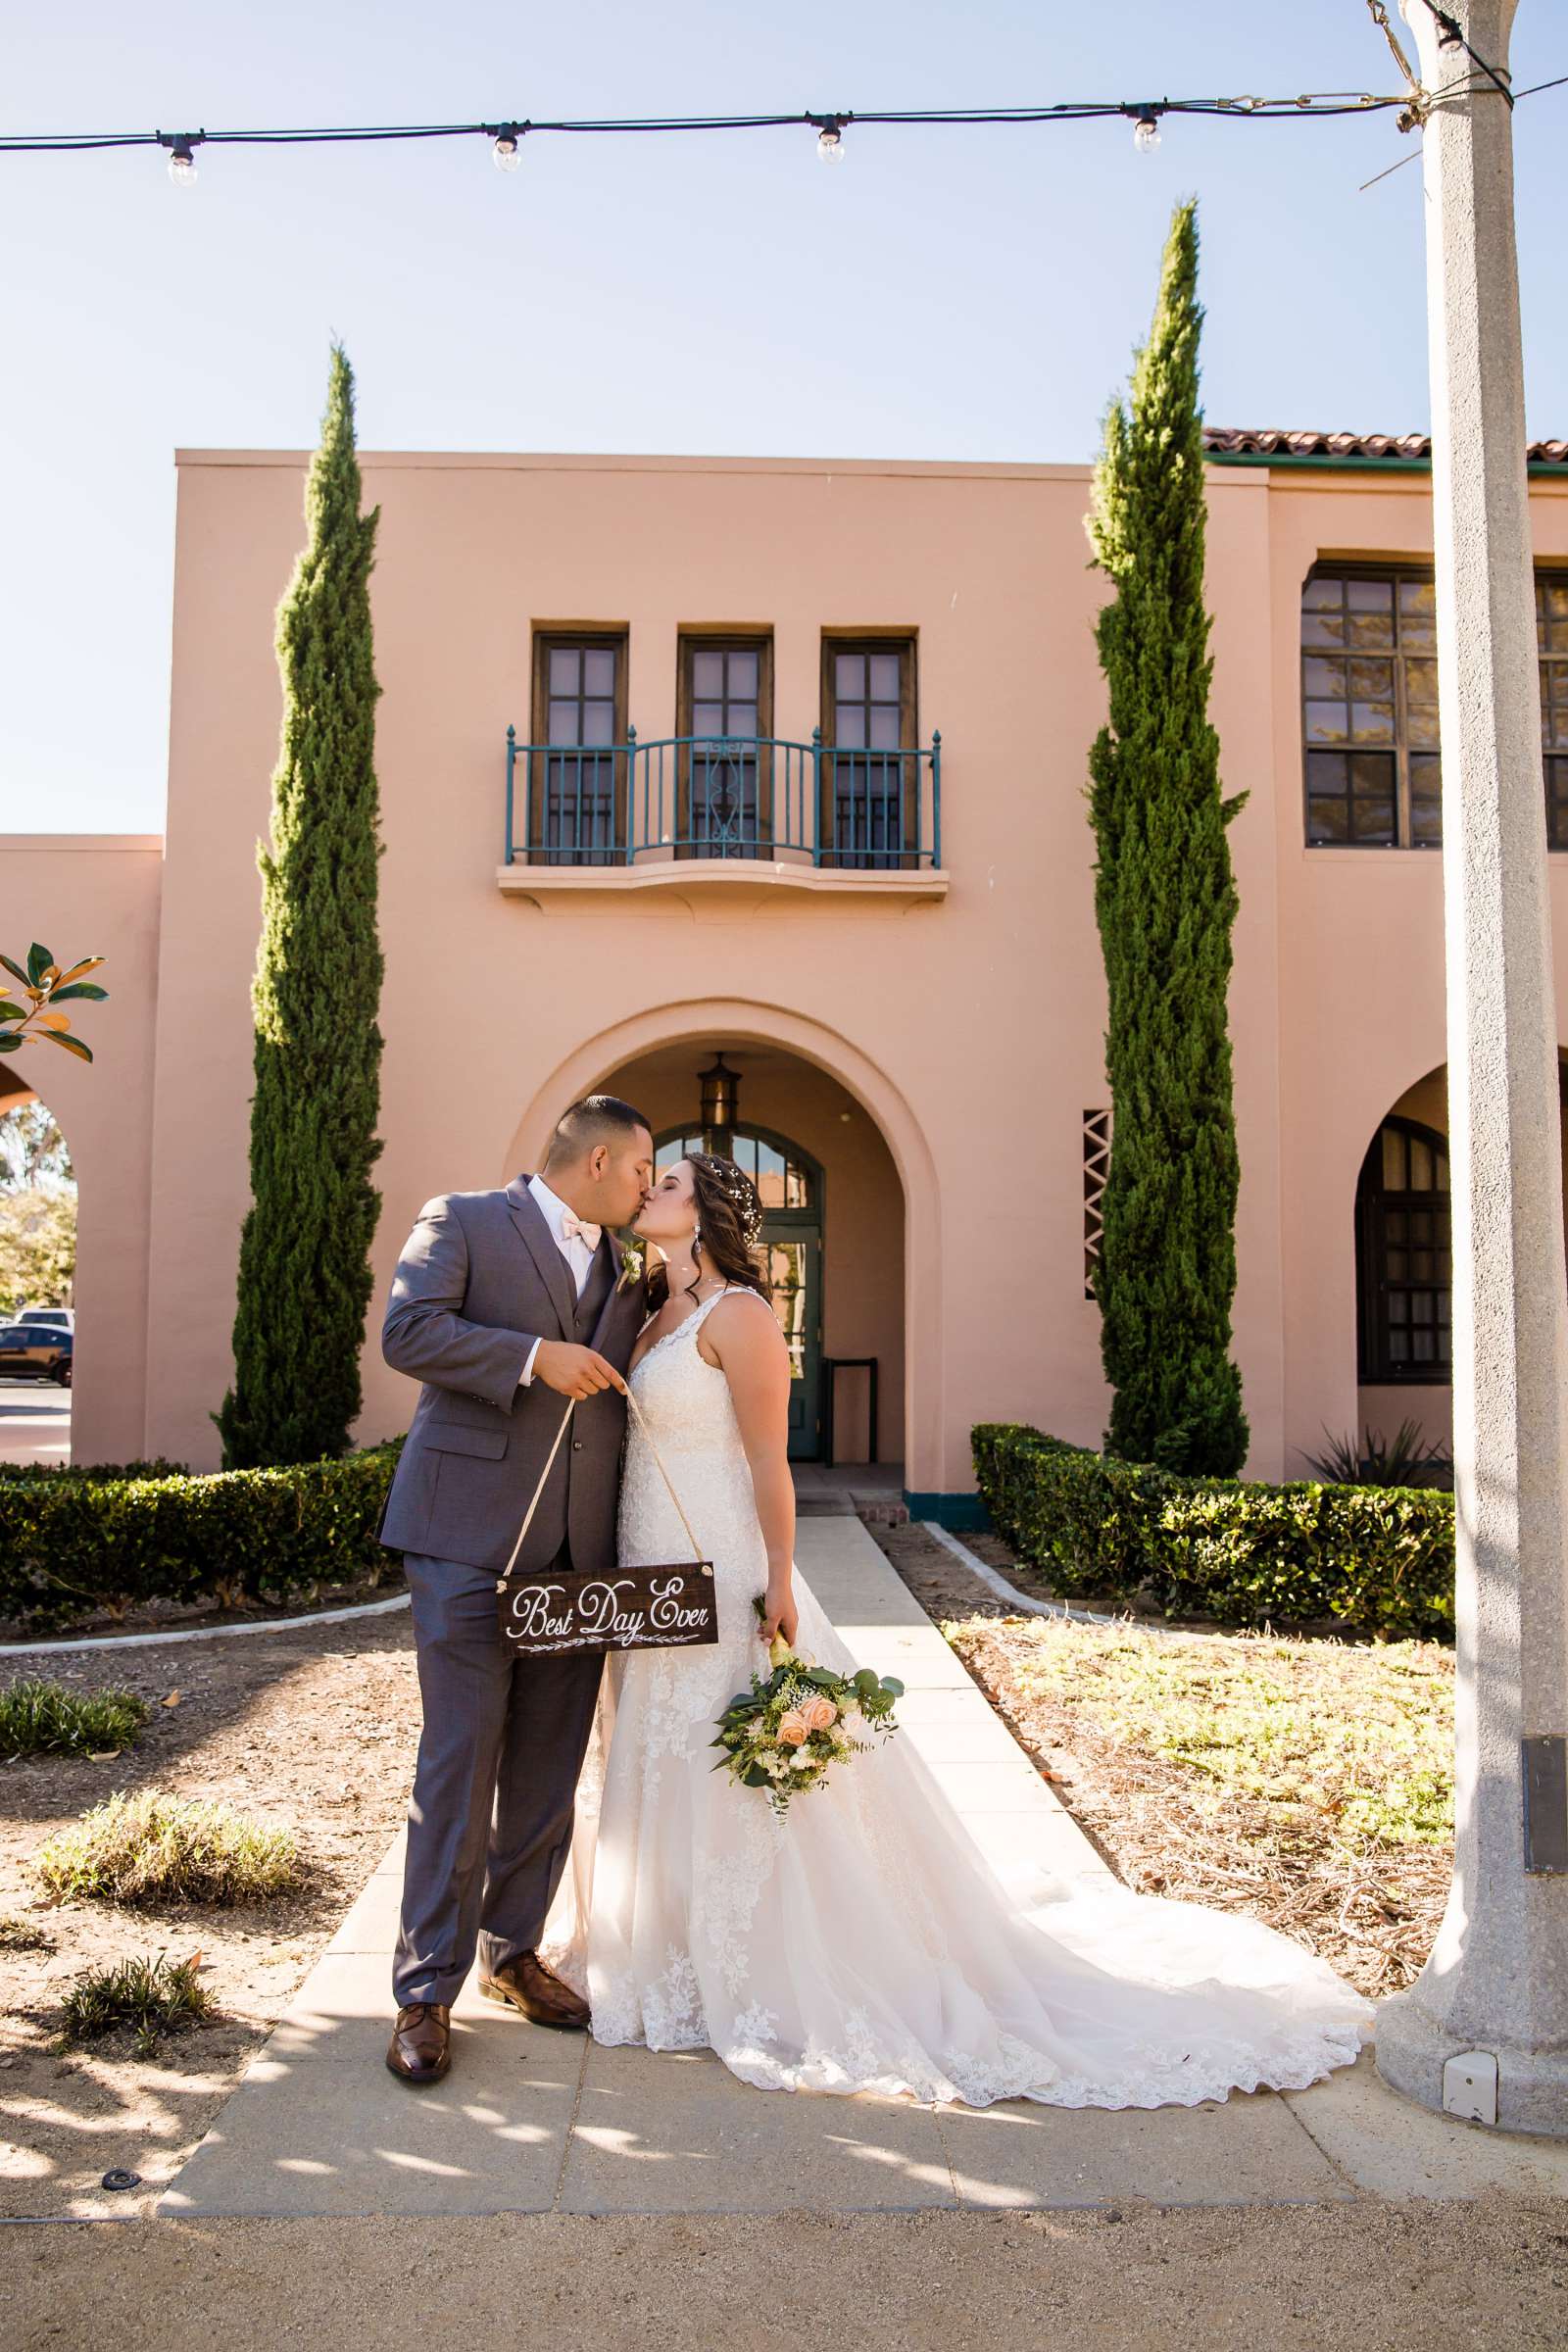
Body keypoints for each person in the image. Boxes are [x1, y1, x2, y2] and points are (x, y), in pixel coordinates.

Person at [542, 1151, 1374, 2109]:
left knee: (725, 1754)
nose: (649, 1192)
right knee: (658, 1750)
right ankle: (661, 1944)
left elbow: (768, 1462)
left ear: (710, 1215)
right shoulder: (647, 1311)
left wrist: (777, 1578)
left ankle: (756, 1957)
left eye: (671, 1184)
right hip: (647, 1575)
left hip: (723, 1571)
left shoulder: (741, 1318)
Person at [376, 1095, 654, 2087]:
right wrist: (532, 1357)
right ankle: (423, 1991)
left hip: (576, 1560)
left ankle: (513, 1953)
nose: (644, 1188)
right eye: (639, 1172)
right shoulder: (462, 1219)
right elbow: (407, 1333)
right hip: (461, 1542)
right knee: (457, 1765)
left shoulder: (630, 1271)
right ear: (597, 1164)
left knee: (545, 1770)